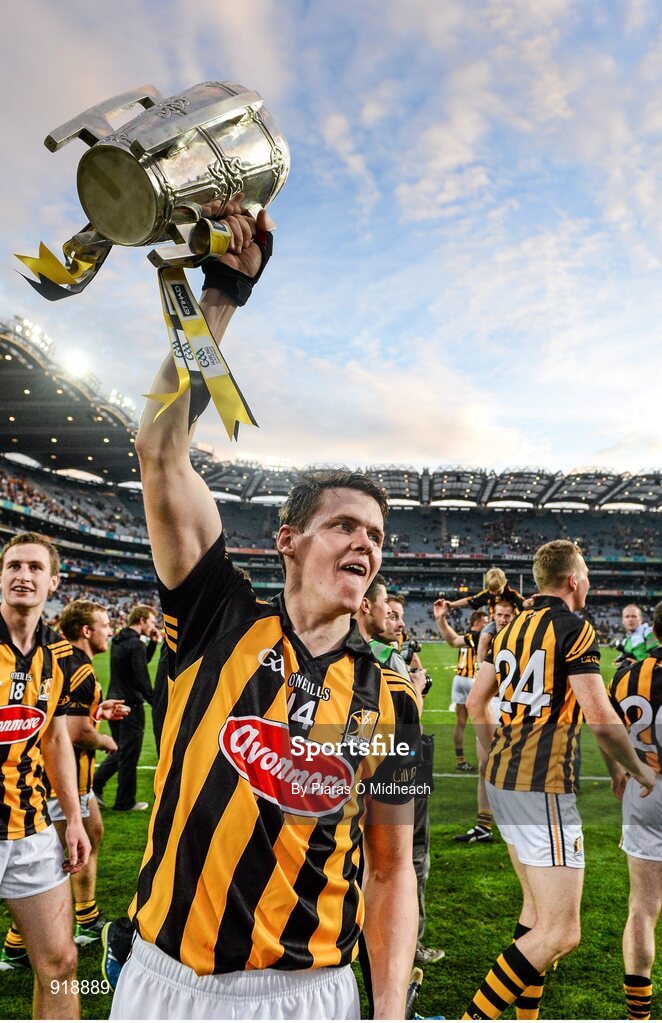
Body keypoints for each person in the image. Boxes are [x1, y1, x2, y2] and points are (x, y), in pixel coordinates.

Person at [112, 200, 420, 1020]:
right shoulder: (218, 611)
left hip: (309, 992)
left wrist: (388, 1010)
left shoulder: (398, 704)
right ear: (288, 541)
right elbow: (159, 450)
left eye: (377, 535)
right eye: (344, 526)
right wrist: (220, 298)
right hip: (165, 980)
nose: (365, 545)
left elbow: (392, 868)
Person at [462, 540, 656, 1020]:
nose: (587, 581)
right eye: (585, 573)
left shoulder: (508, 628)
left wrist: (492, 754)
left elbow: (475, 703)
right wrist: (637, 770)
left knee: (534, 916)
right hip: (541, 784)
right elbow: (598, 715)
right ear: (573, 579)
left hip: (505, 782)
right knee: (562, 932)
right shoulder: (574, 627)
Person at [0, 599, 129, 963]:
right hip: (61, 778)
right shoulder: (76, 666)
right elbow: (69, 731)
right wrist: (104, 738)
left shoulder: (61, 660)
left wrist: (99, 712)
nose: (109, 631)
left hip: (58, 778)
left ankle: (83, 918)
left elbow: (59, 715)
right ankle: (20, 942)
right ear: (86, 631)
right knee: (62, 852)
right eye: (104, 624)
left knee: (86, 837)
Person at [0, 531, 90, 1018]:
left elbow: (56, 738)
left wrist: (72, 819)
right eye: (14, 566)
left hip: (31, 827)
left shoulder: (59, 659)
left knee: (60, 963)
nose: (23, 575)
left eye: (35, 567)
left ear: (52, 582)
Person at [606, 600, 662, 1022]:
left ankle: (637, 1015)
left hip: (646, 790)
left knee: (642, 907)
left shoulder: (627, 674)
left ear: (653, 632)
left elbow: (605, 727)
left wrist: (620, 772)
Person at [434, 598, 514, 844]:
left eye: (507, 615)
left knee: (519, 766)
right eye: (499, 615)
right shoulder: (483, 636)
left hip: (514, 708)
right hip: (490, 705)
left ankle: (523, 823)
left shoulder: (522, 638)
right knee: (484, 765)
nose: (502, 619)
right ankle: (483, 826)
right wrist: (441, 619)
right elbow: (453, 640)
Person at [92, 604, 158, 812]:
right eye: (152, 622)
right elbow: (141, 677)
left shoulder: (119, 640)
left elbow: (139, 662)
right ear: (142, 621)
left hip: (114, 701)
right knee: (129, 755)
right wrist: (156, 702)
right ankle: (124, 802)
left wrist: (153, 644)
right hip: (129, 706)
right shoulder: (136, 644)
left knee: (120, 751)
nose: (154, 626)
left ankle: (95, 785)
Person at [435, 606, 489, 772]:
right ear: (477, 623)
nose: (488, 625)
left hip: (458, 679)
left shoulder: (467, 637)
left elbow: (454, 640)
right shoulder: (481, 637)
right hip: (473, 679)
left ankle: (460, 760)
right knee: (483, 722)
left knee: (460, 724)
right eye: (485, 622)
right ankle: (488, 759)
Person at [444, 567, 532, 618]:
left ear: (504, 583)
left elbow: (522, 602)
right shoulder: (487, 595)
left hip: (511, 623)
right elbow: (470, 600)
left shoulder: (511, 594)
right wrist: (451, 605)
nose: (494, 593)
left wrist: (528, 602)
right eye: (492, 591)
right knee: (484, 635)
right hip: (494, 624)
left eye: (497, 590)